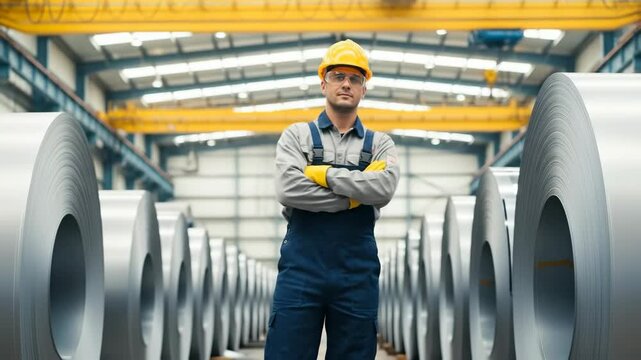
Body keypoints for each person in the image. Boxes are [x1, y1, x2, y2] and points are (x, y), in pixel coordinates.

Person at [265, 39, 400, 359]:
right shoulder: (296, 136)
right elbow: (288, 189)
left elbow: (383, 189)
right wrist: (354, 197)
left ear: (364, 89)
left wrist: (321, 175)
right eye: (339, 76)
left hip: (356, 270)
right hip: (302, 269)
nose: (346, 84)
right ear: (323, 82)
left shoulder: (380, 143)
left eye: (355, 79)